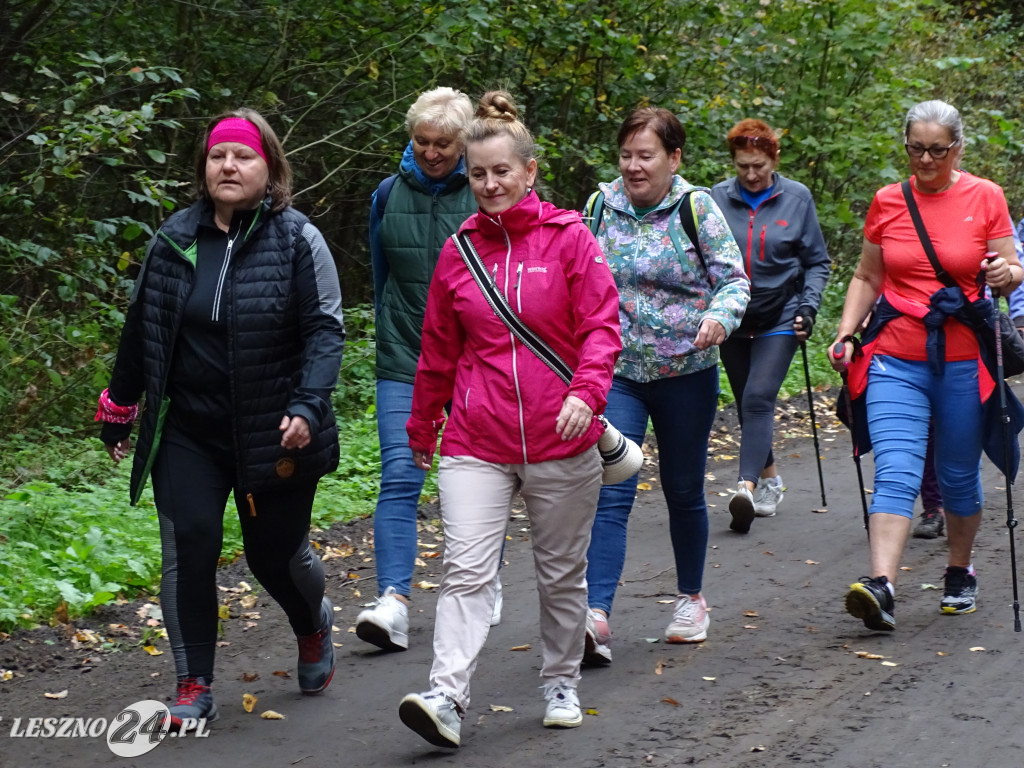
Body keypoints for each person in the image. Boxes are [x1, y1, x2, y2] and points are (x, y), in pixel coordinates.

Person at [95, 109, 345, 727]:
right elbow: (142, 328)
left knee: (273, 556)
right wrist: (121, 406)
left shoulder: (296, 239)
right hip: (189, 431)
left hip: (273, 430)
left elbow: (324, 331)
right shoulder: (173, 237)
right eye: (217, 157)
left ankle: (312, 622)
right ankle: (192, 684)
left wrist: (308, 405)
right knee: (192, 544)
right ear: (204, 167)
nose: (228, 166)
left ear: (270, 168)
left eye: (243, 157)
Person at [398, 90, 621, 747]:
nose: (490, 185)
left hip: (563, 434)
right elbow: (437, 349)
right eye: (478, 174)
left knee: (559, 574)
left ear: (529, 171)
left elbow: (603, 327)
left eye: (501, 172)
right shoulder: (458, 252)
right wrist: (422, 427)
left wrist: (588, 391)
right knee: (466, 569)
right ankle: (446, 696)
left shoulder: (569, 238)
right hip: (476, 438)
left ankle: (560, 681)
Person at [830, 99, 1021, 631]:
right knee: (895, 468)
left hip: (963, 360)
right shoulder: (888, 201)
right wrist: (847, 332)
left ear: (957, 147)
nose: (927, 160)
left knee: (957, 477)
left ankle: (959, 569)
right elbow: (868, 276)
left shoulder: (985, 196)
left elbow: (1012, 267)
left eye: (938, 150)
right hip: (895, 355)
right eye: (917, 149)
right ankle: (882, 586)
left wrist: (1005, 273)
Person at [581, 107, 749, 664]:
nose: (633, 166)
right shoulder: (600, 207)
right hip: (619, 375)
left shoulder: (696, 207)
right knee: (612, 489)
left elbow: (733, 279)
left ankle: (690, 600)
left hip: (687, 372)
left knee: (682, 490)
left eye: (645, 155)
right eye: (626, 155)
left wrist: (720, 318)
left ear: (673, 158)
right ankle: (595, 616)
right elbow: (576, 279)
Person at [358, 87, 483, 652]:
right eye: (422, 142)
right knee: (400, 477)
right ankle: (393, 602)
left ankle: (479, 586)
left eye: (444, 143)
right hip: (406, 357)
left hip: (478, 363)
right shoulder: (387, 195)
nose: (432, 153)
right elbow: (382, 279)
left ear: (465, 142)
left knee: (477, 482)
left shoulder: (487, 193)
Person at [710, 119, 831, 532]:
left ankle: (744, 487)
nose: (750, 174)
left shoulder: (797, 198)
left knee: (759, 397)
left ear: (773, 159)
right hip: (733, 316)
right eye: (743, 166)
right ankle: (771, 480)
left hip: (782, 314)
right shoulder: (715, 199)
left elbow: (817, 262)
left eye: (758, 165)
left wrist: (809, 307)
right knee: (746, 401)